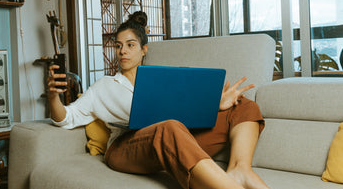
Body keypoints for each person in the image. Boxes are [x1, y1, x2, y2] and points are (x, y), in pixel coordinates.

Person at [47, 11, 270, 189]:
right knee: (170, 127)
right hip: (124, 148)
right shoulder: (103, 86)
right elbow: (66, 117)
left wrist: (215, 105)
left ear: (144, 50)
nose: (122, 51)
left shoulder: (163, 80)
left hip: (174, 138)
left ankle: (240, 170)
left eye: (130, 45)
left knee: (244, 105)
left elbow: (184, 114)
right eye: (118, 45)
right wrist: (53, 96)